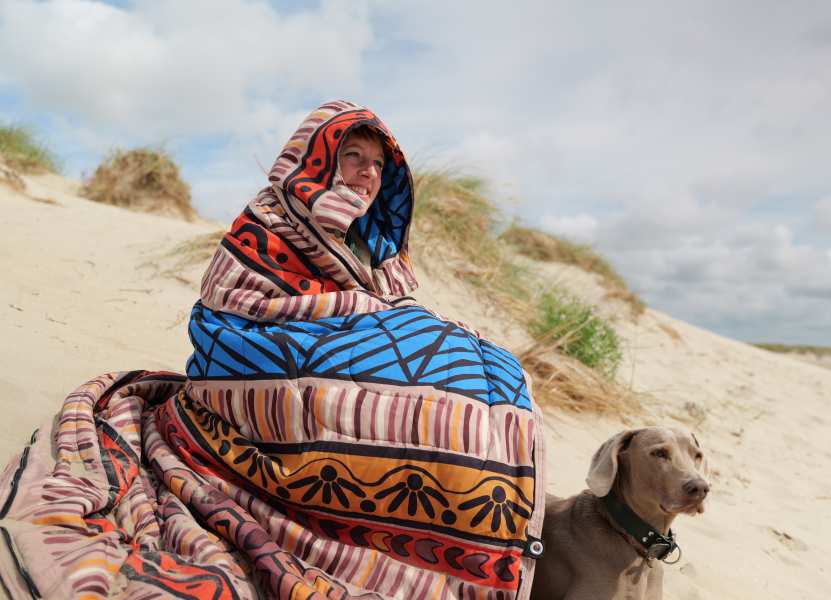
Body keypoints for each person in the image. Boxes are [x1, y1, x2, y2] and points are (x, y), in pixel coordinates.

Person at [0, 100, 545, 600]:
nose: (367, 173)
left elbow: (385, 327)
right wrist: (354, 333)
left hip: (324, 380)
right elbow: (229, 321)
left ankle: (453, 559)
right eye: (351, 156)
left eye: (377, 165)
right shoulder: (267, 223)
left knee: (476, 391)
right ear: (314, 160)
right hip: (243, 406)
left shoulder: (374, 247)